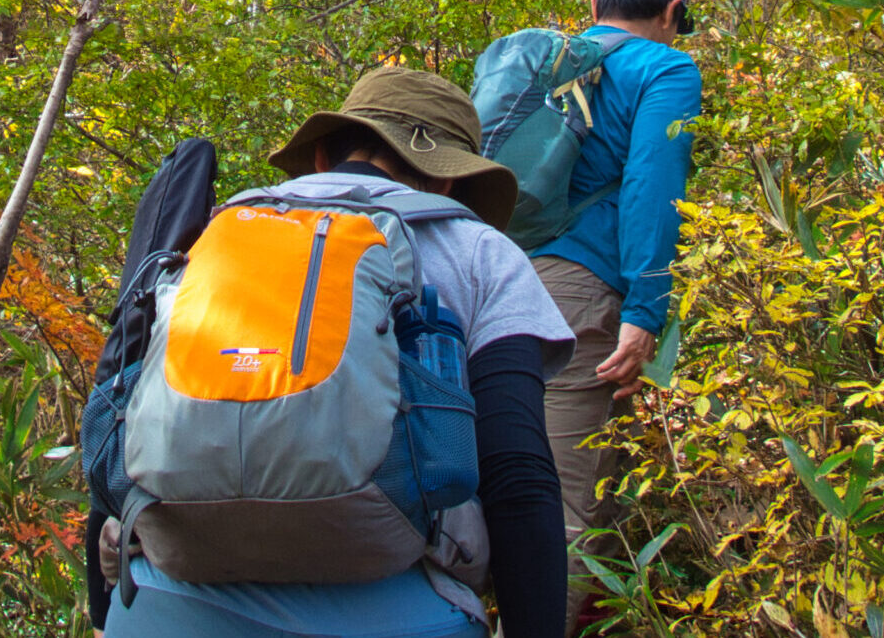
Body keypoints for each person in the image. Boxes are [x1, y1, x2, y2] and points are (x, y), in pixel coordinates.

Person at [96, 67, 575, 638]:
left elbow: (119, 407)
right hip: (396, 611)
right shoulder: (481, 253)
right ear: (448, 180)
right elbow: (517, 474)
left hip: (164, 601)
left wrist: (105, 616)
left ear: (321, 155)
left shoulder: (217, 234)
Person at [528, 0, 704, 624]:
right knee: (566, 514)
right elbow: (651, 188)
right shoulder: (666, 66)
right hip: (578, 291)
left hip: (486, 281)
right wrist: (645, 308)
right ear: (673, 11)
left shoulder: (543, 64)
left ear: (594, 6)